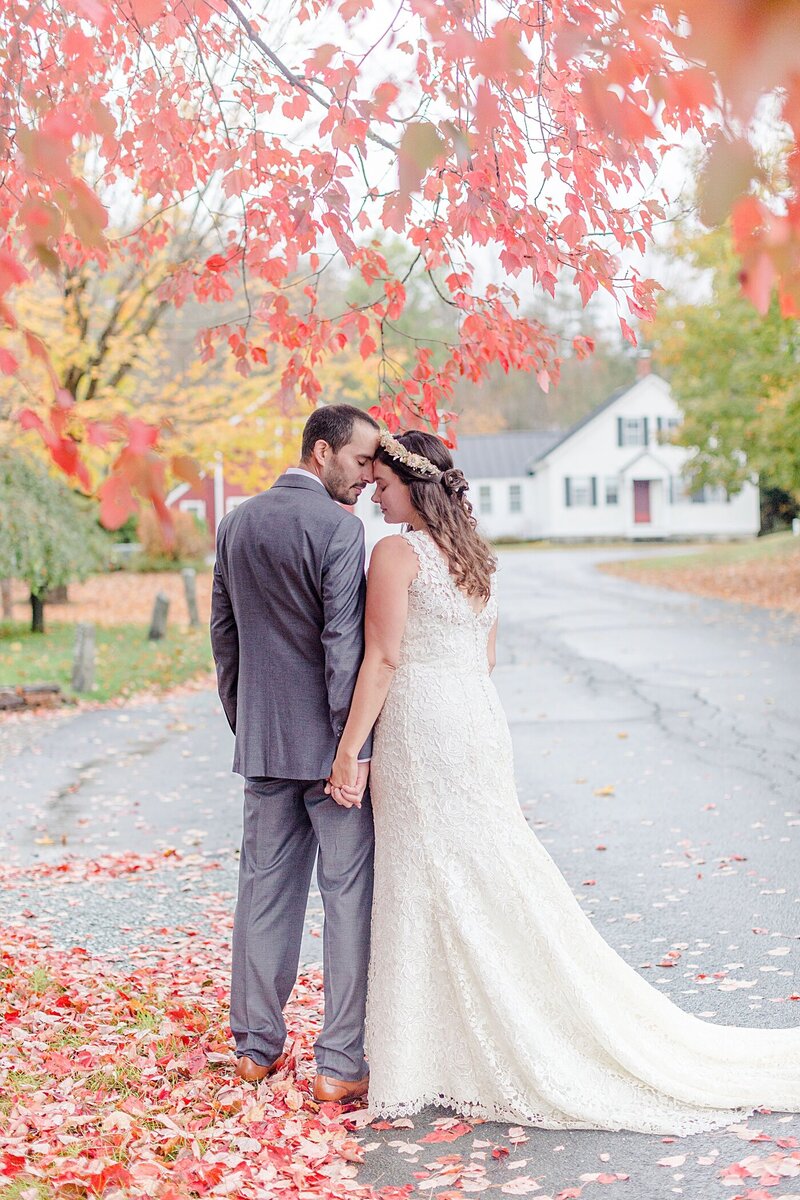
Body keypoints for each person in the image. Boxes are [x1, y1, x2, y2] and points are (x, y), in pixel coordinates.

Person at [327, 428, 800, 1134]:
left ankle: (433, 1052)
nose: (377, 499)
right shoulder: (474, 553)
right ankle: (466, 1037)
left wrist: (348, 752)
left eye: (386, 487)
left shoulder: (396, 553)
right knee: (482, 869)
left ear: (416, 487)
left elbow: (385, 658)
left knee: (431, 875)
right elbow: (485, 656)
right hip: (476, 719)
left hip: (423, 728)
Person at [211, 403, 380, 1103]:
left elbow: (224, 637)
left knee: (262, 894)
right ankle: (338, 1063)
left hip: (264, 745)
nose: (369, 475)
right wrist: (352, 749)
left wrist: (246, 722)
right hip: (332, 755)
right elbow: (344, 647)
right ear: (321, 452)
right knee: (347, 899)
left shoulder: (235, 523)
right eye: (362, 460)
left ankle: (254, 1048)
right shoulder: (340, 530)